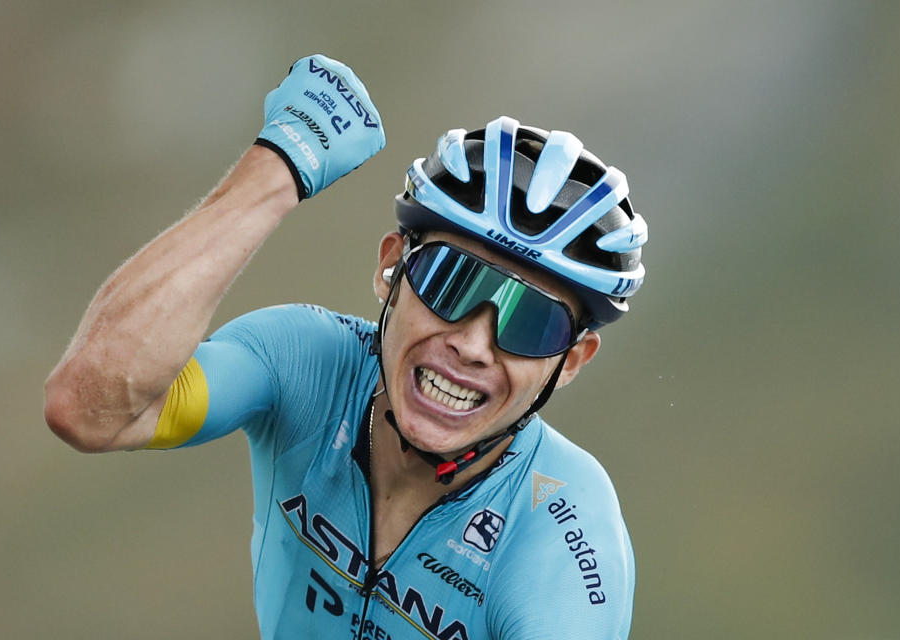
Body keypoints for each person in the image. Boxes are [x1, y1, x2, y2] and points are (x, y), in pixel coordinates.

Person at [44, 54, 647, 640]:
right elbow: (89, 408)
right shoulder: (307, 364)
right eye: (450, 282)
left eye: (533, 323)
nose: (471, 344)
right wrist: (277, 169)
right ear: (392, 269)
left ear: (569, 362)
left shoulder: (563, 535)